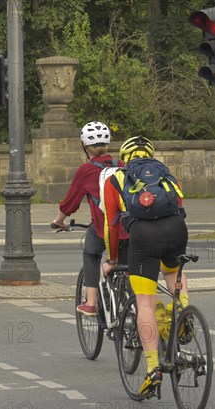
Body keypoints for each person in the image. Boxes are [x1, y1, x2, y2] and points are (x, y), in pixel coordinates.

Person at [102, 136, 188, 397]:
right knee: (174, 275)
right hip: (176, 230)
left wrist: (113, 259)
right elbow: (179, 206)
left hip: (143, 238)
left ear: (124, 159)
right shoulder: (165, 174)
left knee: (146, 302)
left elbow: (111, 227)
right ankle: (184, 316)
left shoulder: (115, 179)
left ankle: (153, 369)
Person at [51, 121, 128, 316]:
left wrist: (59, 221)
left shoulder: (86, 170)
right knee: (126, 263)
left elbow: (70, 203)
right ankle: (133, 303)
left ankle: (91, 302)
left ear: (85, 146)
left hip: (103, 228)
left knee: (91, 253)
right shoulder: (122, 166)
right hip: (128, 227)